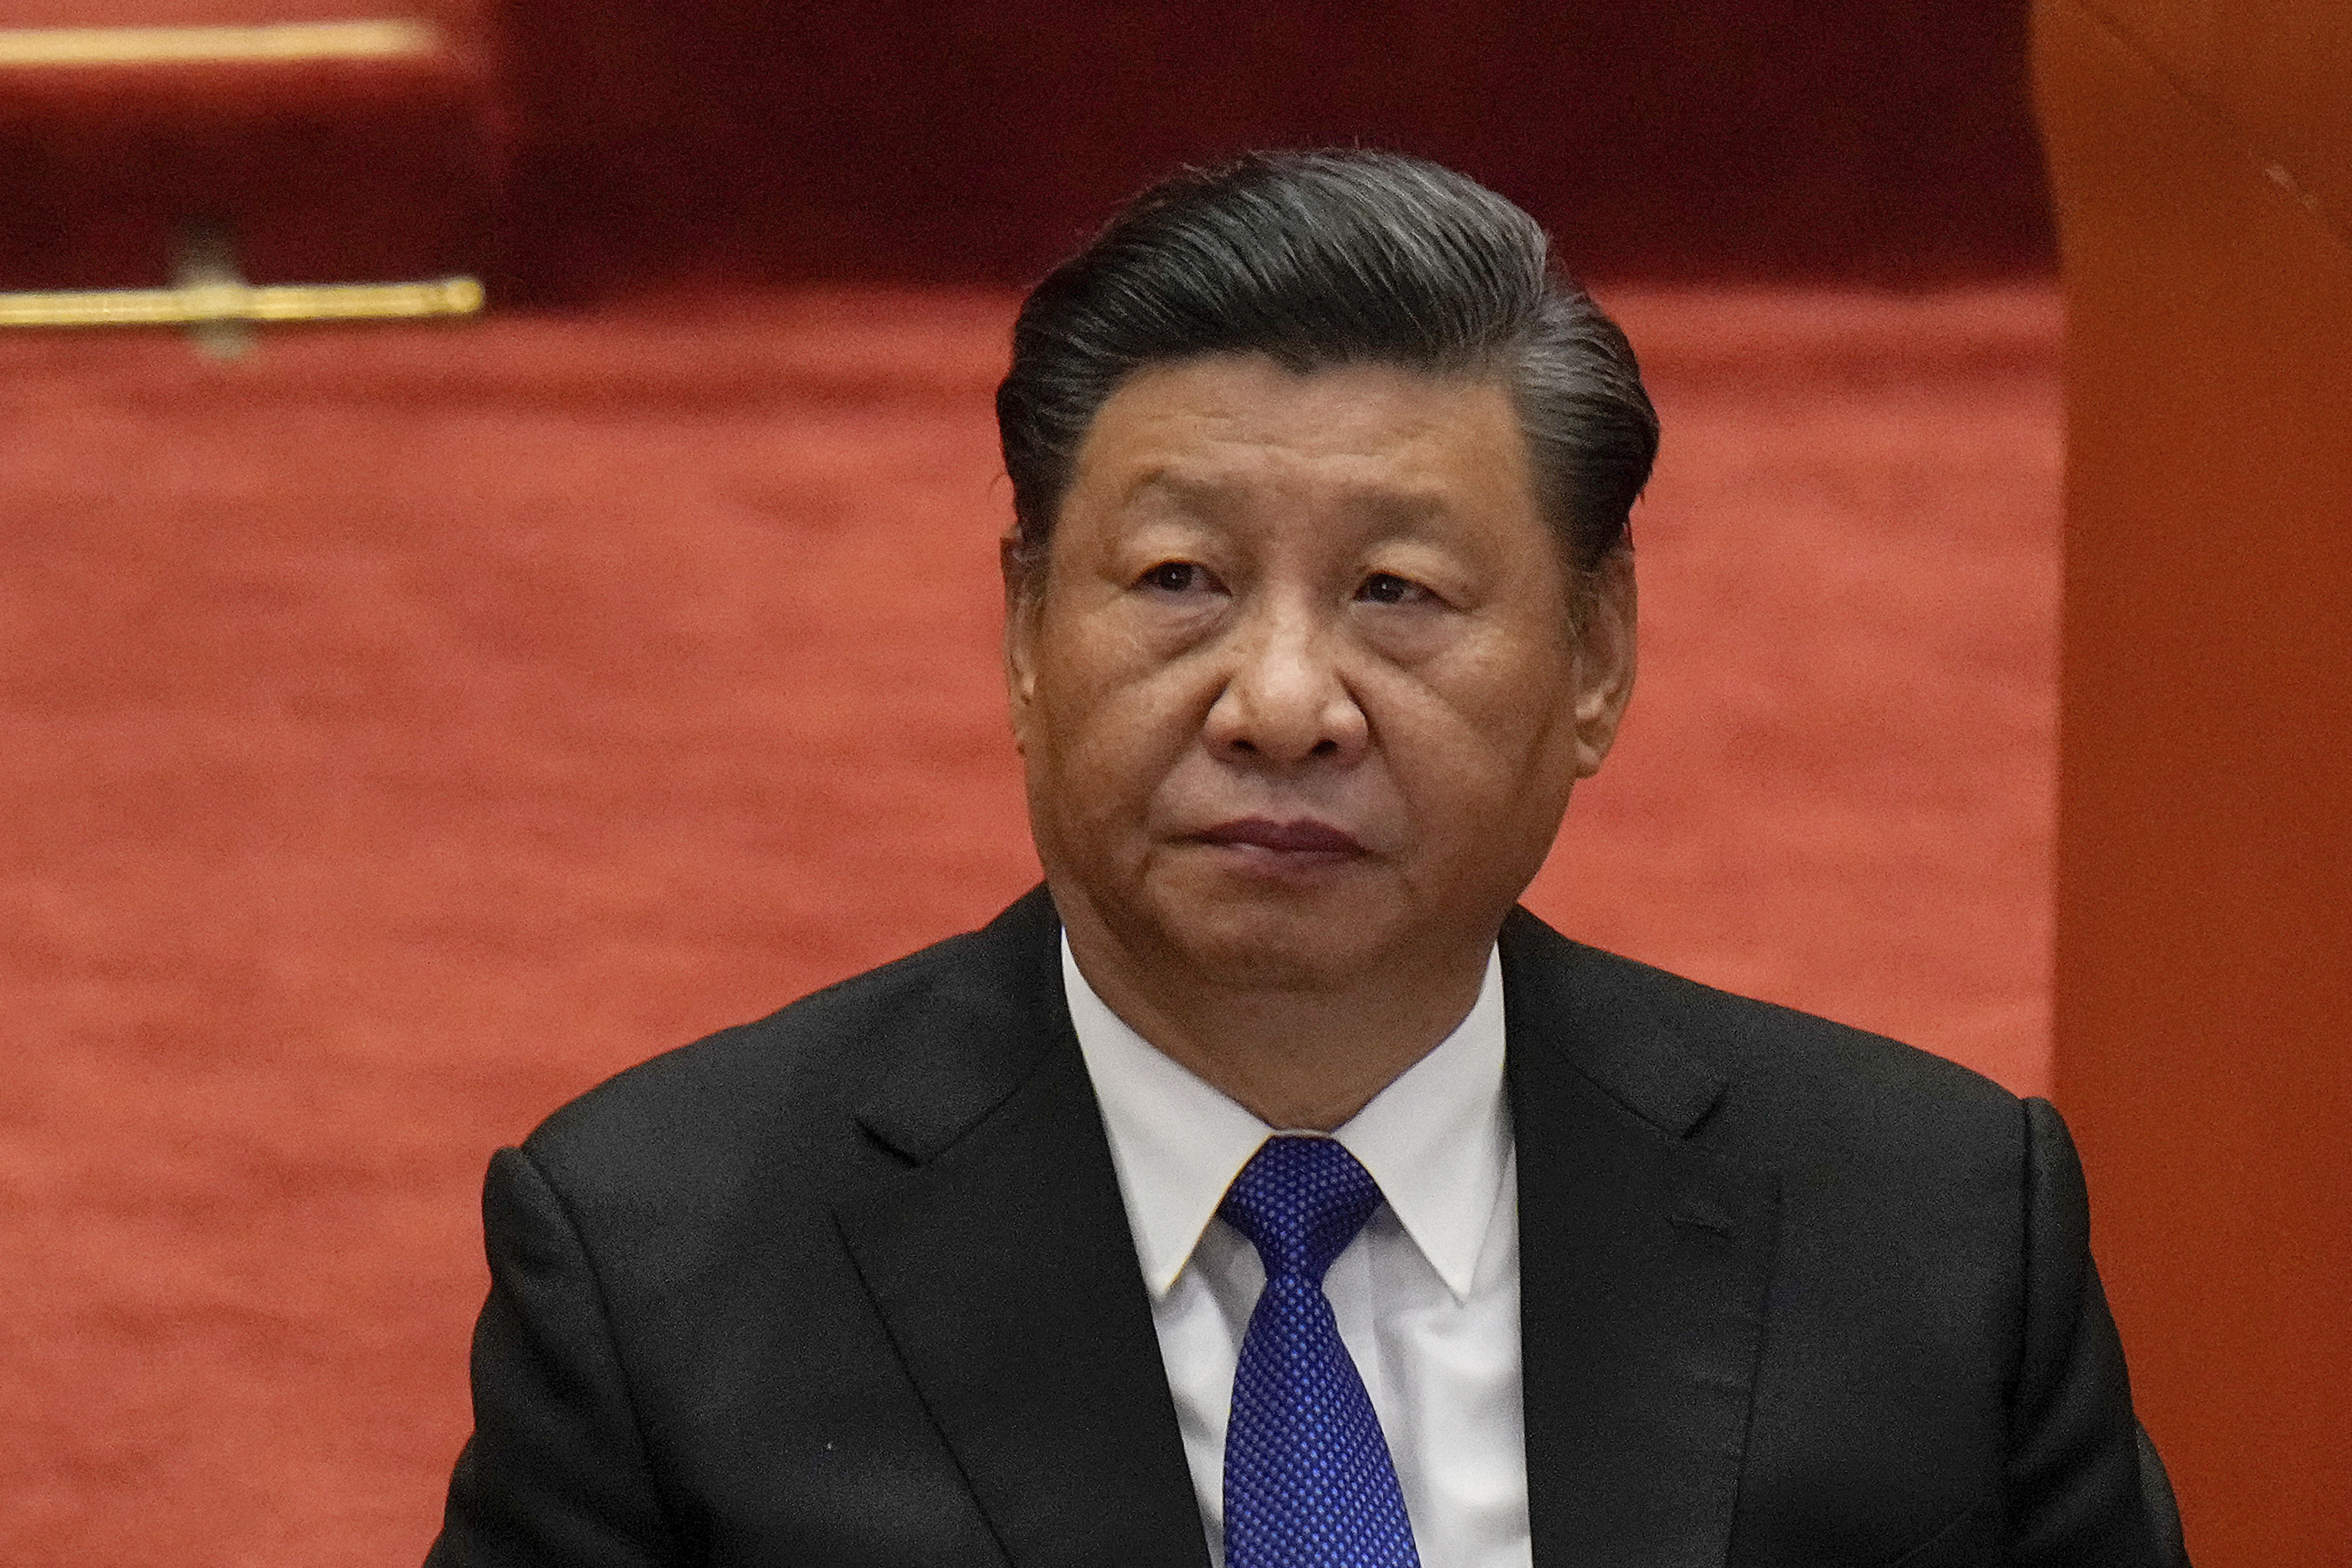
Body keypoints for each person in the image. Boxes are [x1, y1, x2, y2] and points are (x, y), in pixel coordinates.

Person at [425, 150, 2187, 1568]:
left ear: (1595, 660)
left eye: (1396, 596)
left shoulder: (1936, 1232)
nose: (1281, 703)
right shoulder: (666, 1259)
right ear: (1026, 637)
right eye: (1180, 578)